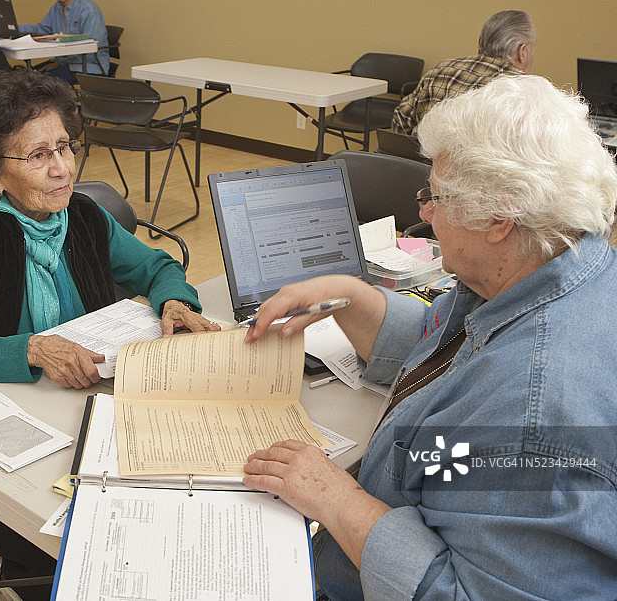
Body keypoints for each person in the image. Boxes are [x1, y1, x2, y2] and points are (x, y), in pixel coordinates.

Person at [244, 74, 617, 600]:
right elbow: (454, 359)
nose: (425, 213)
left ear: (497, 218)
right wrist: (350, 294)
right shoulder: (558, 267)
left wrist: (338, 500)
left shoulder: (531, 419)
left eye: (436, 197)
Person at [0, 68, 218, 598]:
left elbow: (156, 266)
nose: (62, 168)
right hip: (14, 418)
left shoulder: (84, 215)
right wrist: (28, 348)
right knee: (91, 545)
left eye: (65, 147)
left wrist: (173, 299)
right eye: (37, 156)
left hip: (88, 402)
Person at [391, 9, 536, 135]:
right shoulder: (524, 91)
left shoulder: (443, 68)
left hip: (424, 163)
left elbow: (401, 119)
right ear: (521, 52)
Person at [18, 0, 109, 82]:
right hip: (66, 63)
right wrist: (13, 28)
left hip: (88, 67)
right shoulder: (57, 8)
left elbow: (91, 47)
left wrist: (60, 62)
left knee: (37, 82)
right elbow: (40, 30)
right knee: (23, 78)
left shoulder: (88, 10)